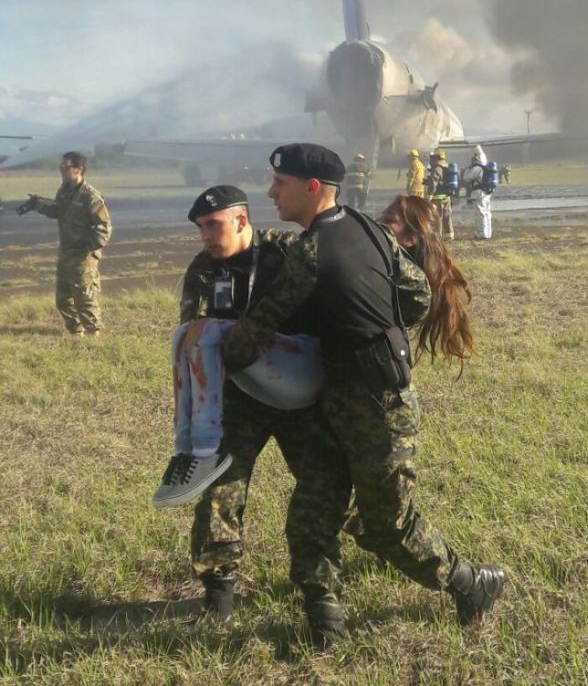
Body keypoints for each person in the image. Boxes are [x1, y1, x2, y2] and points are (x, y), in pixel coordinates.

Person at [222, 143, 505, 645]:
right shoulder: (366, 227)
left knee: (388, 524)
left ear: (312, 188)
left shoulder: (311, 252)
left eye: (280, 184)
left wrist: (210, 351)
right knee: (313, 508)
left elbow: (254, 332)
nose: (271, 193)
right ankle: (324, 620)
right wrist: (375, 324)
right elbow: (416, 293)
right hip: (339, 394)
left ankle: (471, 583)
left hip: (378, 407)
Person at [157, 185, 321, 621]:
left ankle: (364, 549)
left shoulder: (287, 251)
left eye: (213, 225)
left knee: (326, 483)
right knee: (219, 493)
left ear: (242, 220)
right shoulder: (203, 268)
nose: (205, 236)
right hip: (238, 398)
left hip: (297, 395)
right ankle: (219, 598)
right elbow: (192, 336)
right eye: (200, 228)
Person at [29, 151, 111, 335]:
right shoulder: (64, 191)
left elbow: (104, 228)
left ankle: (94, 334)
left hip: (82, 256)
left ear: (78, 169)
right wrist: (38, 204)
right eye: (60, 167)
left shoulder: (90, 196)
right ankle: (76, 332)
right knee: (63, 299)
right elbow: (58, 210)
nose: (61, 171)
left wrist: (88, 251)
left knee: (84, 297)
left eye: (65, 167)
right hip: (66, 253)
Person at [425, 148, 454, 241]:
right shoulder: (446, 167)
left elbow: (434, 183)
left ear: (437, 157)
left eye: (433, 157)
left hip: (438, 198)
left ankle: (437, 237)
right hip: (446, 197)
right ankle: (449, 236)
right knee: (447, 216)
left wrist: (429, 195)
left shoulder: (437, 168)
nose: (431, 160)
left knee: (438, 217)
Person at [465, 145, 492, 239]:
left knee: (480, 213)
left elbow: (467, 178)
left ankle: (481, 234)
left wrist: (467, 169)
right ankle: (487, 233)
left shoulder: (477, 168)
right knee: (487, 213)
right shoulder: (485, 168)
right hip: (486, 193)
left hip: (479, 193)